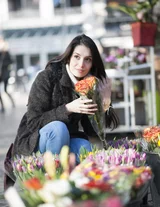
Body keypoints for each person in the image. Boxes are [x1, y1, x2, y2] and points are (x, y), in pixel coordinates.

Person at [12, 34, 119, 164]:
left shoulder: (88, 85)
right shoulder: (47, 77)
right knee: (58, 129)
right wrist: (68, 108)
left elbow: (93, 132)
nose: (81, 64)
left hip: (68, 138)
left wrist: (105, 101)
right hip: (35, 140)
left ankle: (75, 182)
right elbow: (33, 122)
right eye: (77, 57)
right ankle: (52, 179)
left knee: (85, 148)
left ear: (92, 63)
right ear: (69, 57)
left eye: (88, 59)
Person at [0, 36, 15, 112]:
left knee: (5, 90)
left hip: (5, 74)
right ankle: (2, 107)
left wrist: (6, 68)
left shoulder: (7, 54)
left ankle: (12, 102)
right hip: (0, 74)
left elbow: (11, 62)